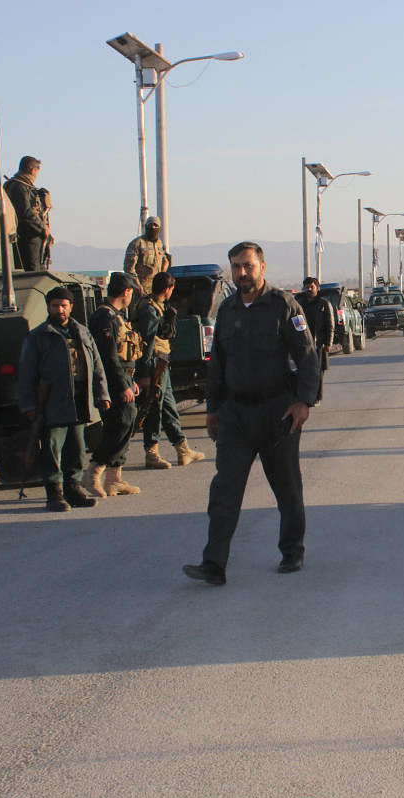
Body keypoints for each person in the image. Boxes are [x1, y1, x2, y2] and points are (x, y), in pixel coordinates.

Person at [183, 241, 320, 586]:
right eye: (236, 267)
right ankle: (214, 562)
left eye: (247, 266)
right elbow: (218, 366)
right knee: (224, 490)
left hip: (278, 413)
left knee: (287, 488)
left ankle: (292, 550)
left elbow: (307, 357)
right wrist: (212, 410)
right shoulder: (227, 310)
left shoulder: (283, 305)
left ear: (262, 266)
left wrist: (304, 402)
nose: (242, 273)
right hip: (236, 415)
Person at [15, 286, 110, 511]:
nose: (60, 309)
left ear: (71, 306)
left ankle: (73, 489)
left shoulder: (82, 332)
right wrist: (28, 405)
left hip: (79, 400)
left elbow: (97, 366)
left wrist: (102, 394)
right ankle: (54, 494)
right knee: (52, 448)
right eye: (56, 305)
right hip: (52, 402)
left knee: (77, 448)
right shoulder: (38, 336)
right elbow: (26, 373)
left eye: (64, 305)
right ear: (49, 307)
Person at [134, 271, 204, 470]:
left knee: (168, 406)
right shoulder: (149, 309)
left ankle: (183, 449)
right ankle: (152, 452)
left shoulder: (157, 306)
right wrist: (146, 373)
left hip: (161, 361)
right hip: (154, 363)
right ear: (167, 289)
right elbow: (147, 341)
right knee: (154, 406)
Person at [84, 272, 143, 498]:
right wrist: (122, 386)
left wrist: (131, 380)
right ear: (126, 292)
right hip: (112, 380)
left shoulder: (116, 316)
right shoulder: (104, 317)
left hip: (124, 377)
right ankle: (93, 472)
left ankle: (114, 478)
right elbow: (108, 357)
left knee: (126, 424)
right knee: (119, 425)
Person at [3, 156, 47, 271]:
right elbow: (25, 213)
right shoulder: (19, 187)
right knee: (32, 274)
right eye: (37, 170)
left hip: (29, 237)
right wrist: (42, 228)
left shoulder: (21, 185)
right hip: (27, 240)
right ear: (32, 170)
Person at [295, 276, 333, 404]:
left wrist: (328, 343)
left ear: (317, 288)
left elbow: (330, 325)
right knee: (304, 371)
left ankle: (317, 397)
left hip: (319, 344)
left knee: (318, 372)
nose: (309, 289)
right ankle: (305, 397)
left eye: (312, 287)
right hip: (303, 343)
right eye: (307, 287)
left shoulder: (324, 304)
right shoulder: (299, 303)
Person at [124, 216, 171, 301]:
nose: (153, 227)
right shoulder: (137, 243)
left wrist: (162, 276)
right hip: (140, 291)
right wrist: (137, 285)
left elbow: (165, 261)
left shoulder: (159, 244)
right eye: (150, 225)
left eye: (155, 225)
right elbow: (129, 268)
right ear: (146, 227)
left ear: (159, 228)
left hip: (155, 291)